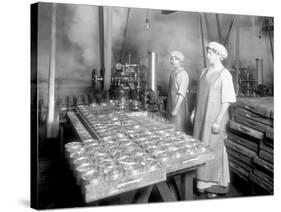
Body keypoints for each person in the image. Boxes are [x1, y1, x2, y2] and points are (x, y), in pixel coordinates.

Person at [190, 42, 236, 198]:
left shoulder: (225, 74)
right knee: (201, 146)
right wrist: (194, 111)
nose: (208, 55)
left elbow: (227, 100)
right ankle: (201, 182)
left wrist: (218, 120)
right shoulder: (204, 72)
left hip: (216, 117)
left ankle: (216, 185)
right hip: (202, 116)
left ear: (219, 55)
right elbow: (200, 95)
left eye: (211, 52)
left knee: (214, 149)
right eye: (208, 52)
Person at [167, 50, 190, 133]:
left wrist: (176, 109)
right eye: (172, 59)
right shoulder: (173, 73)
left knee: (179, 130)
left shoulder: (183, 74)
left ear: (181, 61)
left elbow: (181, 94)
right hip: (171, 105)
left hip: (179, 108)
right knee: (171, 130)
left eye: (176, 59)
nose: (173, 61)